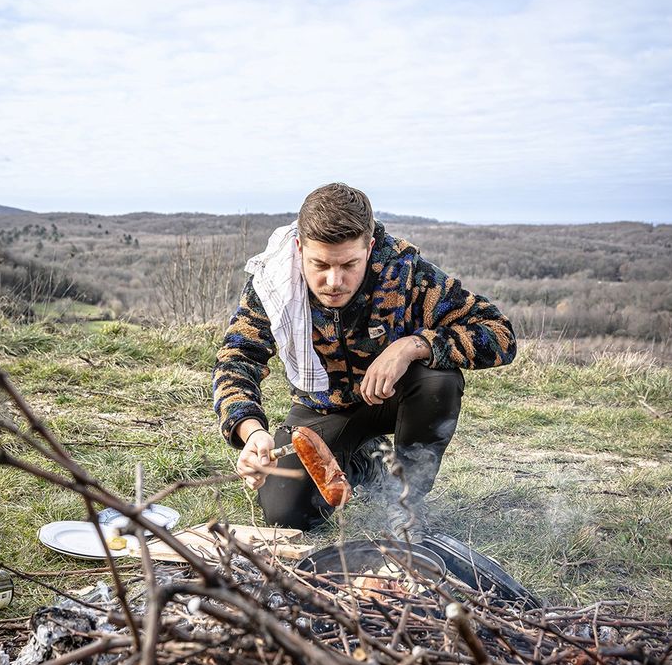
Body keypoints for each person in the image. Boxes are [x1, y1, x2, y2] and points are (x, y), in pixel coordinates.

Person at [212, 183, 516, 535]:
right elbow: (236, 359)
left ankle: (406, 502)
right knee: (287, 516)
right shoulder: (272, 282)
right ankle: (364, 463)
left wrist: (413, 346)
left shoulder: (406, 273)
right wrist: (252, 432)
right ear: (300, 249)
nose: (334, 281)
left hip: (397, 397)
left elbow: (500, 334)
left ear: (369, 248)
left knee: (439, 380)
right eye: (320, 264)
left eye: (349, 264)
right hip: (324, 408)